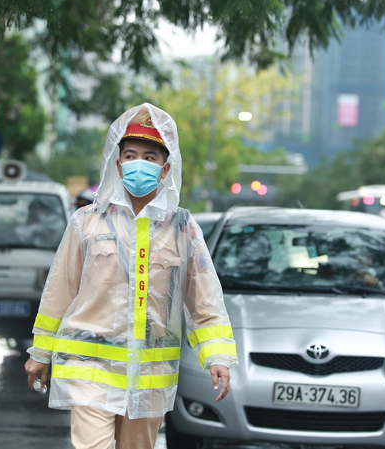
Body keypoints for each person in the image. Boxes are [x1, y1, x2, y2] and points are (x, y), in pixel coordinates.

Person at [25, 104, 238, 449]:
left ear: (166, 167)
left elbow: (204, 299)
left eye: (150, 157)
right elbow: (59, 291)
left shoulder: (182, 227)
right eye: (131, 155)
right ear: (118, 162)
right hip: (88, 368)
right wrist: (41, 351)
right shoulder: (87, 220)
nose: (140, 162)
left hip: (148, 377)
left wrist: (217, 356)